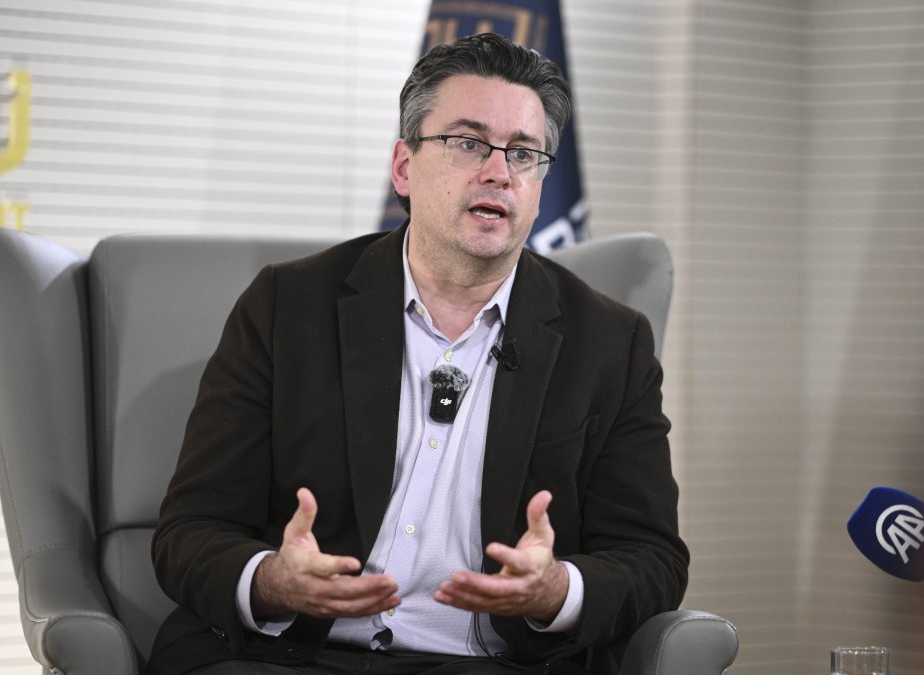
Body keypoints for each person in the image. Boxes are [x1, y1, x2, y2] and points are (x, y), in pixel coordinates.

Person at [148, 33, 688, 675]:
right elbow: (189, 532)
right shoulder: (288, 306)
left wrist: (555, 591)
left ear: (542, 182)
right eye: (467, 143)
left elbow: (652, 559)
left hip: (490, 664)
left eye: (524, 153)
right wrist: (271, 579)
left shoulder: (608, 342)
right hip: (289, 656)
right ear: (403, 166)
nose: (499, 172)